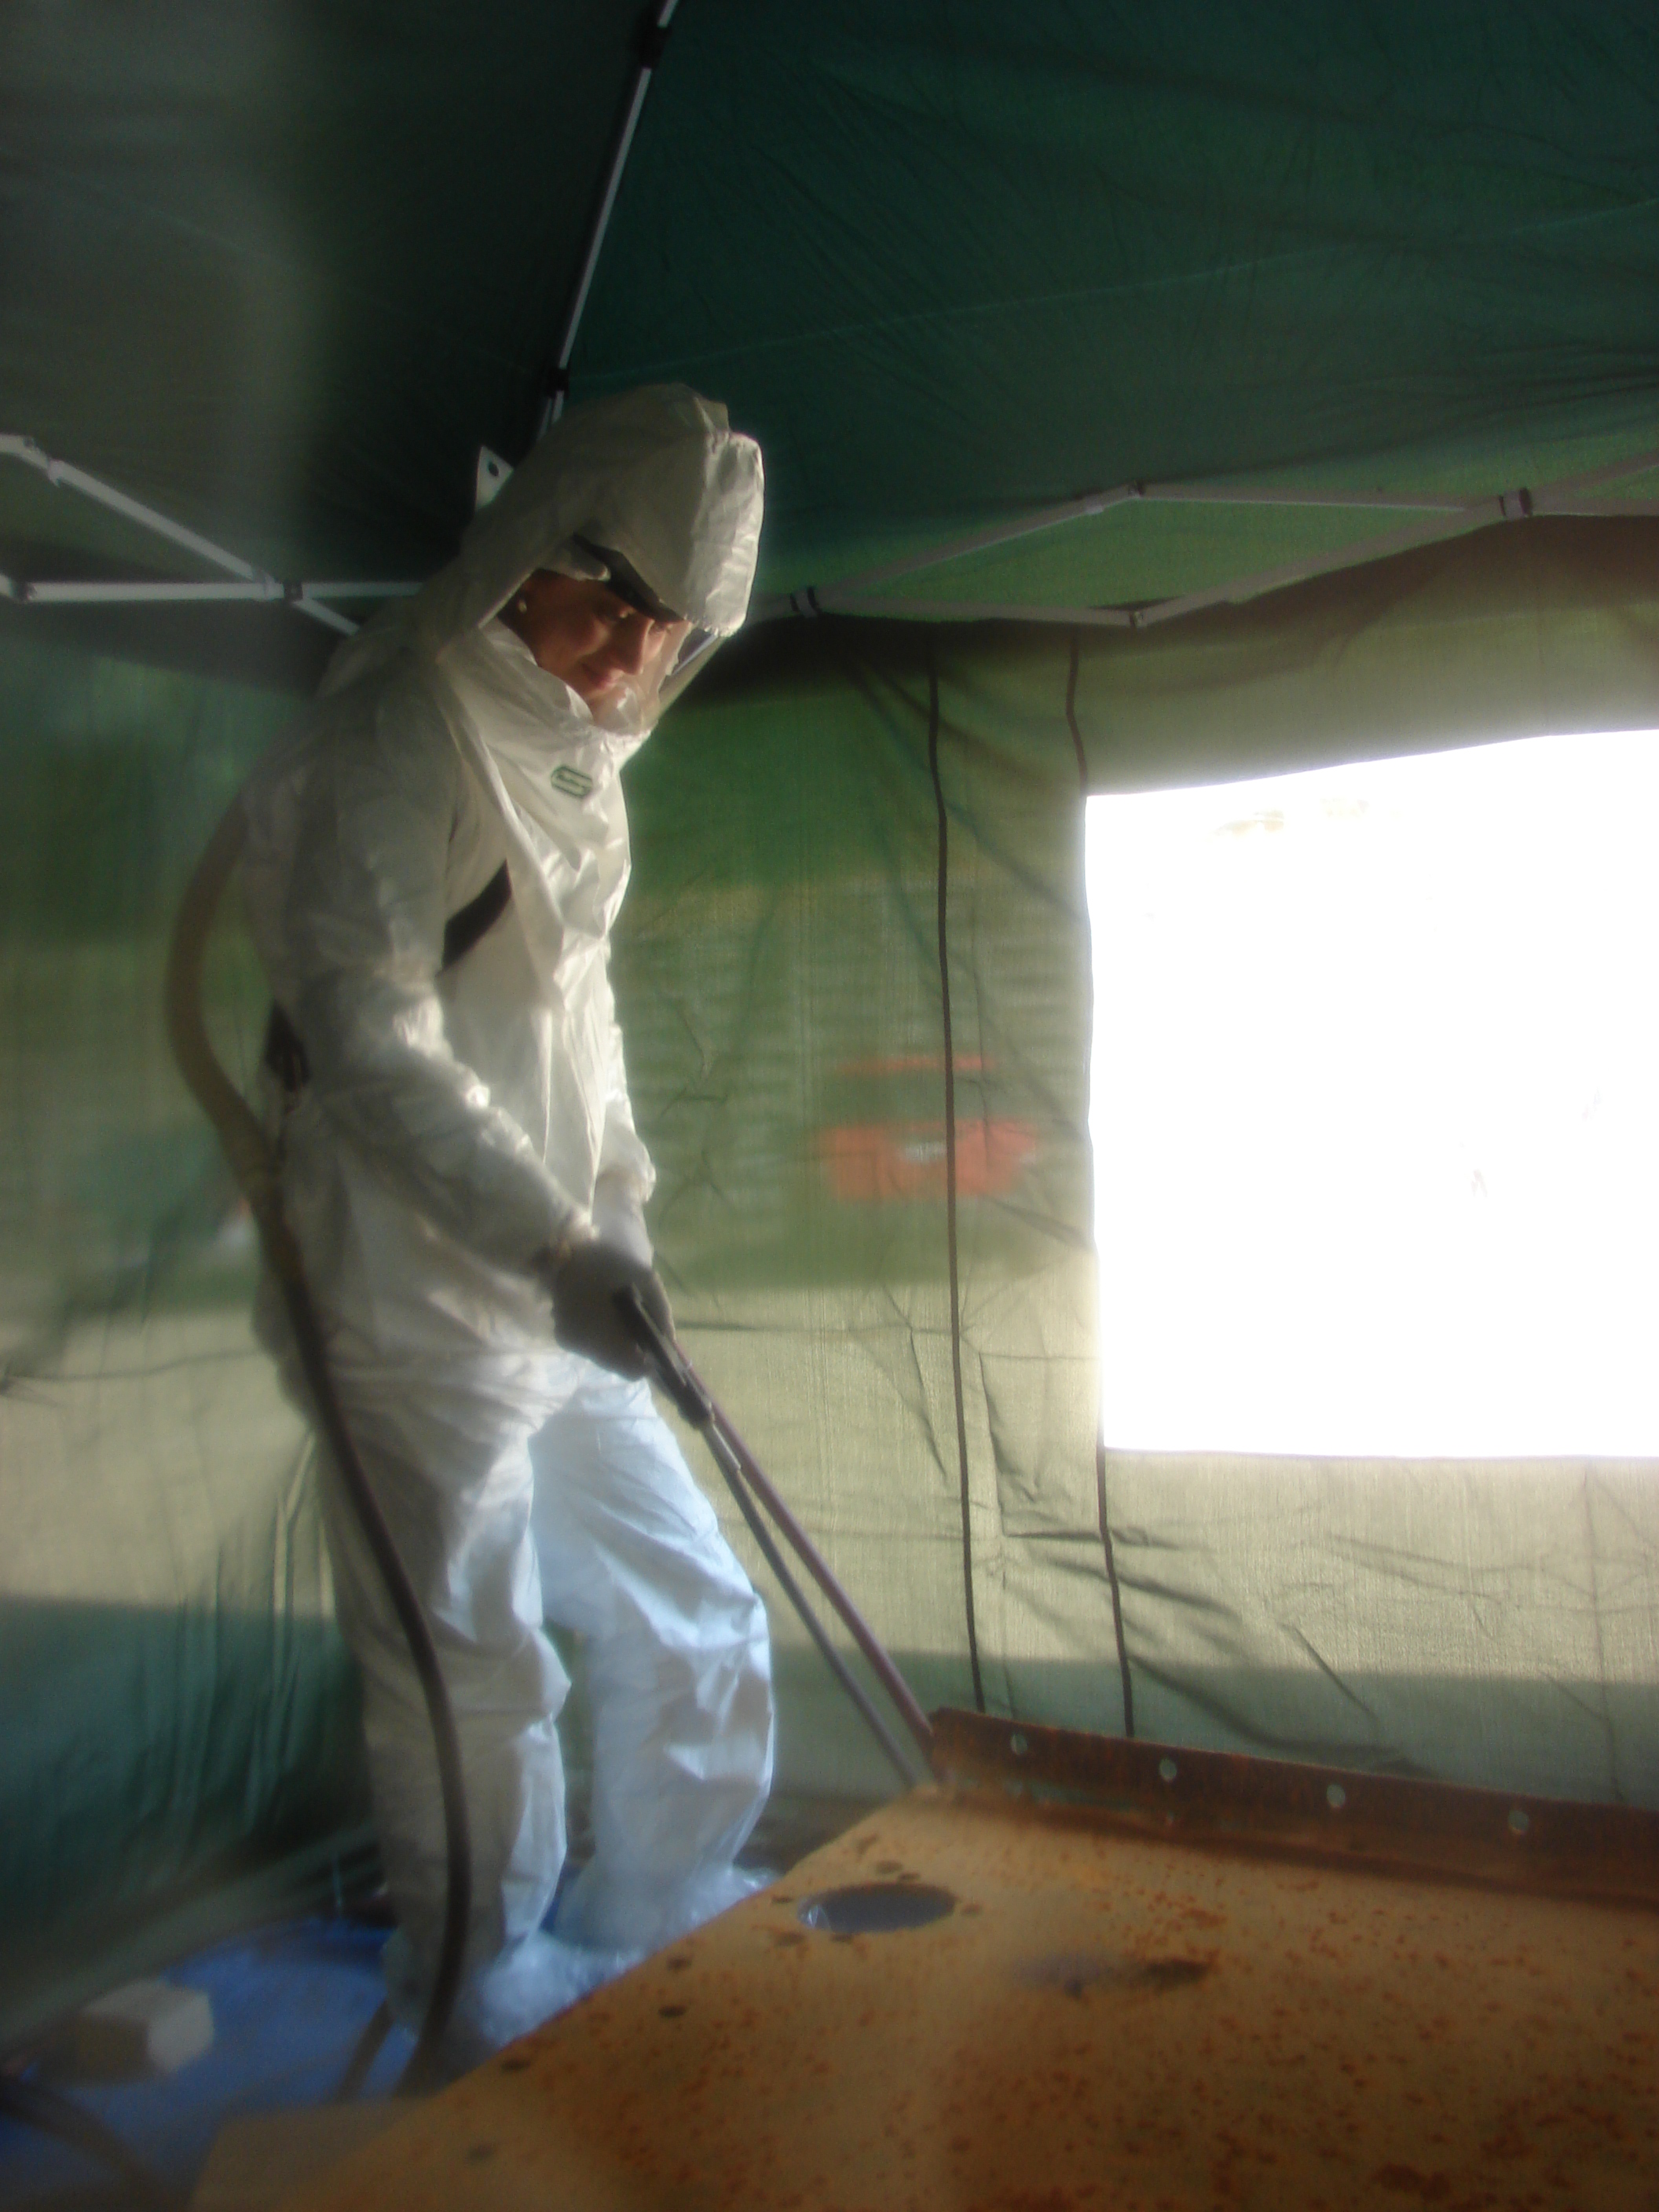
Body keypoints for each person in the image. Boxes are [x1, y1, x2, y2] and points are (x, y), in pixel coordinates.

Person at [239, 385, 774, 2059]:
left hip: (561, 1285)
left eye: (667, 630)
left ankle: (661, 1924)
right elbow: (366, 1035)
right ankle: (479, 2015)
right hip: (409, 1301)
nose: (629, 657)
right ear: (529, 549)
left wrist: (619, 1214)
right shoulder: (396, 727)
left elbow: (575, 1029)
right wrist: (555, 1241)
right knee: (472, 1678)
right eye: (609, 600)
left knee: (695, 1606)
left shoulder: (575, 764)